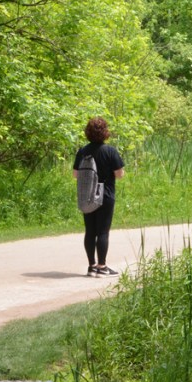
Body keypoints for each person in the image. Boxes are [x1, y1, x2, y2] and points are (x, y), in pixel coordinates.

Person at [73, 116, 125, 277]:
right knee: (103, 231)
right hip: (105, 194)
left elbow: (76, 174)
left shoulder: (82, 151)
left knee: (90, 231)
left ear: (88, 132)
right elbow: (119, 174)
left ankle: (91, 266)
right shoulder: (110, 151)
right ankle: (102, 266)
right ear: (105, 133)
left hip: (87, 194)